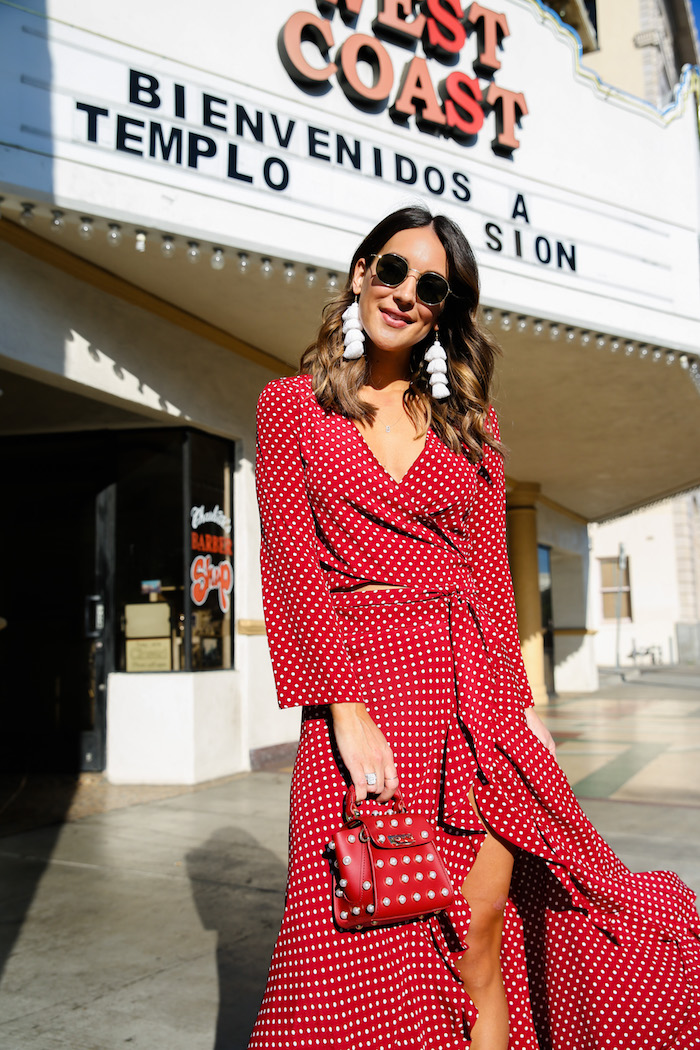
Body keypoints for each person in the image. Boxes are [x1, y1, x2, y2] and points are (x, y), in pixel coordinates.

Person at [248, 206, 699, 1050]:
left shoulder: (472, 424)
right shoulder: (291, 408)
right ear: (358, 274)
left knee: (478, 937)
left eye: (431, 287)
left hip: (472, 703)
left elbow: (490, 580)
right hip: (364, 697)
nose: (404, 294)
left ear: (443, 311)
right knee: (353, 943)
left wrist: (523, 717)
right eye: (391, 270)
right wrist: (345, 713)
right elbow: (292, 568)